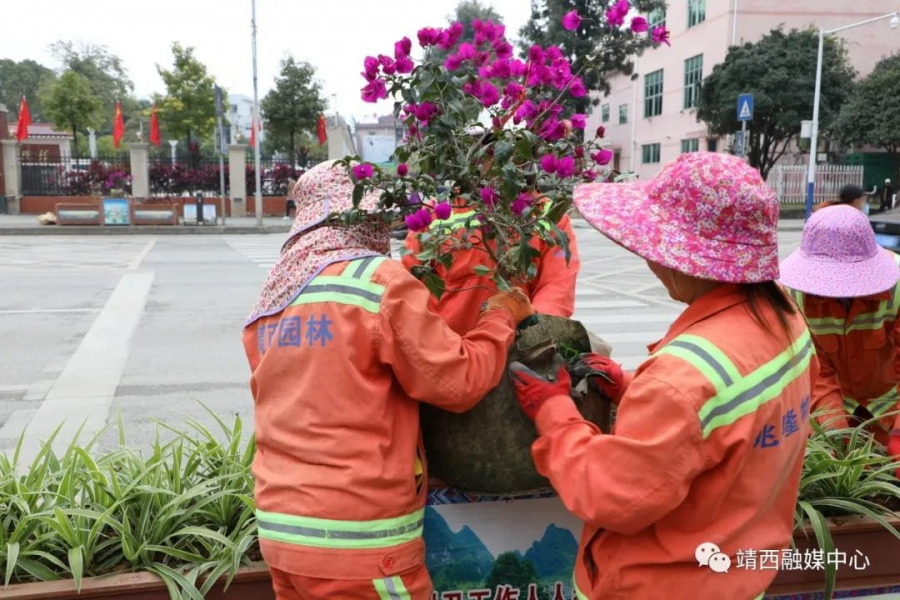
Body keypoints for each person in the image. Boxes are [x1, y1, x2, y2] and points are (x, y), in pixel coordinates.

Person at [507, 152, 817, 599]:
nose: (651, 263)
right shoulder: (785, 317)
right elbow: (725, 423)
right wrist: (633, 389)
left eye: (653, 250)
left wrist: (554, 412)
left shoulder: (681, 379)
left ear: (685, 259)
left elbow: (610, 495)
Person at [243, 161, 534, 600]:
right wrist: (500, 315)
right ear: (364, 216)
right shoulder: (377, 282)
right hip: (359, 539)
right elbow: (457, 381)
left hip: (282, 531)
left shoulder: (274, 295)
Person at [780, 205, 900, 472]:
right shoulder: (794, 296)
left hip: (889, 404)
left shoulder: (898, 284)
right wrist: (833, 431)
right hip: (835, 404)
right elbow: (815, 371)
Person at [402, 193, 580, 336]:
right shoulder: (438, 211)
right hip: (452, 352)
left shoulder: (548, 212)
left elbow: (557, 286)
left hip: (517, 351)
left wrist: (534, 330)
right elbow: (409, 284)